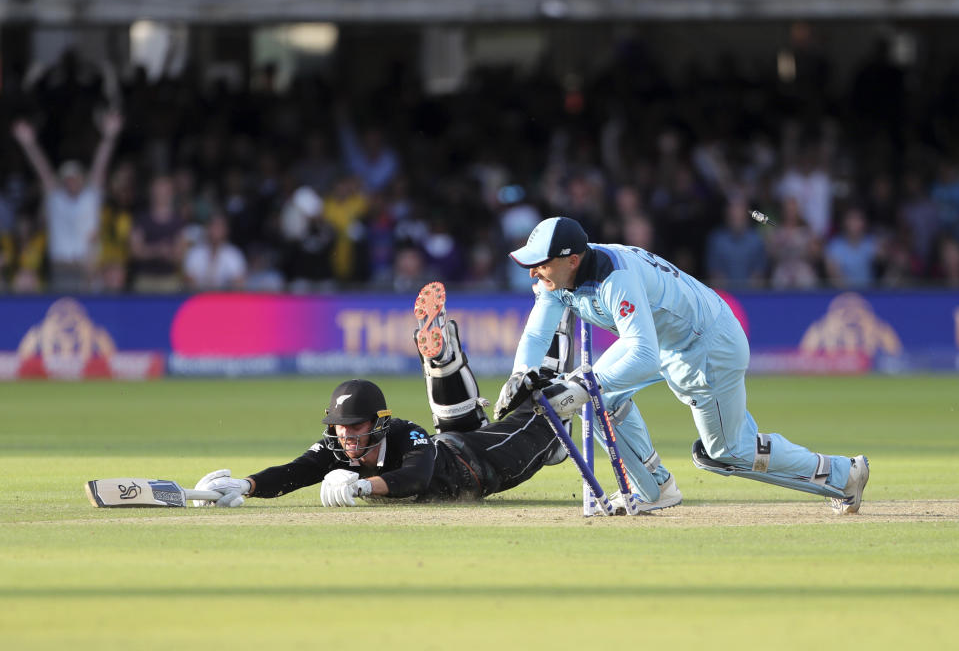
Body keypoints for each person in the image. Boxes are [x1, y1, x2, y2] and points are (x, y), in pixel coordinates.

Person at [497, 216, 869, 514]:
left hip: (706, 344)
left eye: (541, 264)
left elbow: (644, 357)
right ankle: (655, 487)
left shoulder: (614, 279)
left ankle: (845, 475)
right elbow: (535, 334)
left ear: (572, 260)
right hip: (670, 340)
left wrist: (577, 388)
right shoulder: (559, 278)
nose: (533, 272)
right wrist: (520, 374)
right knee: (597, 399)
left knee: (726, 453)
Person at [194, 282, 568, 508]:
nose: (346, 435)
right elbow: (296, 471)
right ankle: (441, 358)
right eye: (340, 427)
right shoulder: (339, 445)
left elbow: (417, 477)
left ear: (378, 423)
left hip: (485, 462)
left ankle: (558, 308)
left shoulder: (406, 434)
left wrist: (361, 486)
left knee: (545, 403)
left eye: (355, 426)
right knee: (460, 409)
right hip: (458, 434)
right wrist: (246, 485)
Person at [11, 110, 123, 292]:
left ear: (82, 179)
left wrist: (109, 138)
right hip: (61, 269)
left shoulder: (90, 199)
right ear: (62, 181)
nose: (71, 182)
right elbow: (43, 171)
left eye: (76, 177)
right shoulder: (56, 201)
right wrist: (28, 144)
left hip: (88, 270)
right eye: (67, 178)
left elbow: (100, 165)